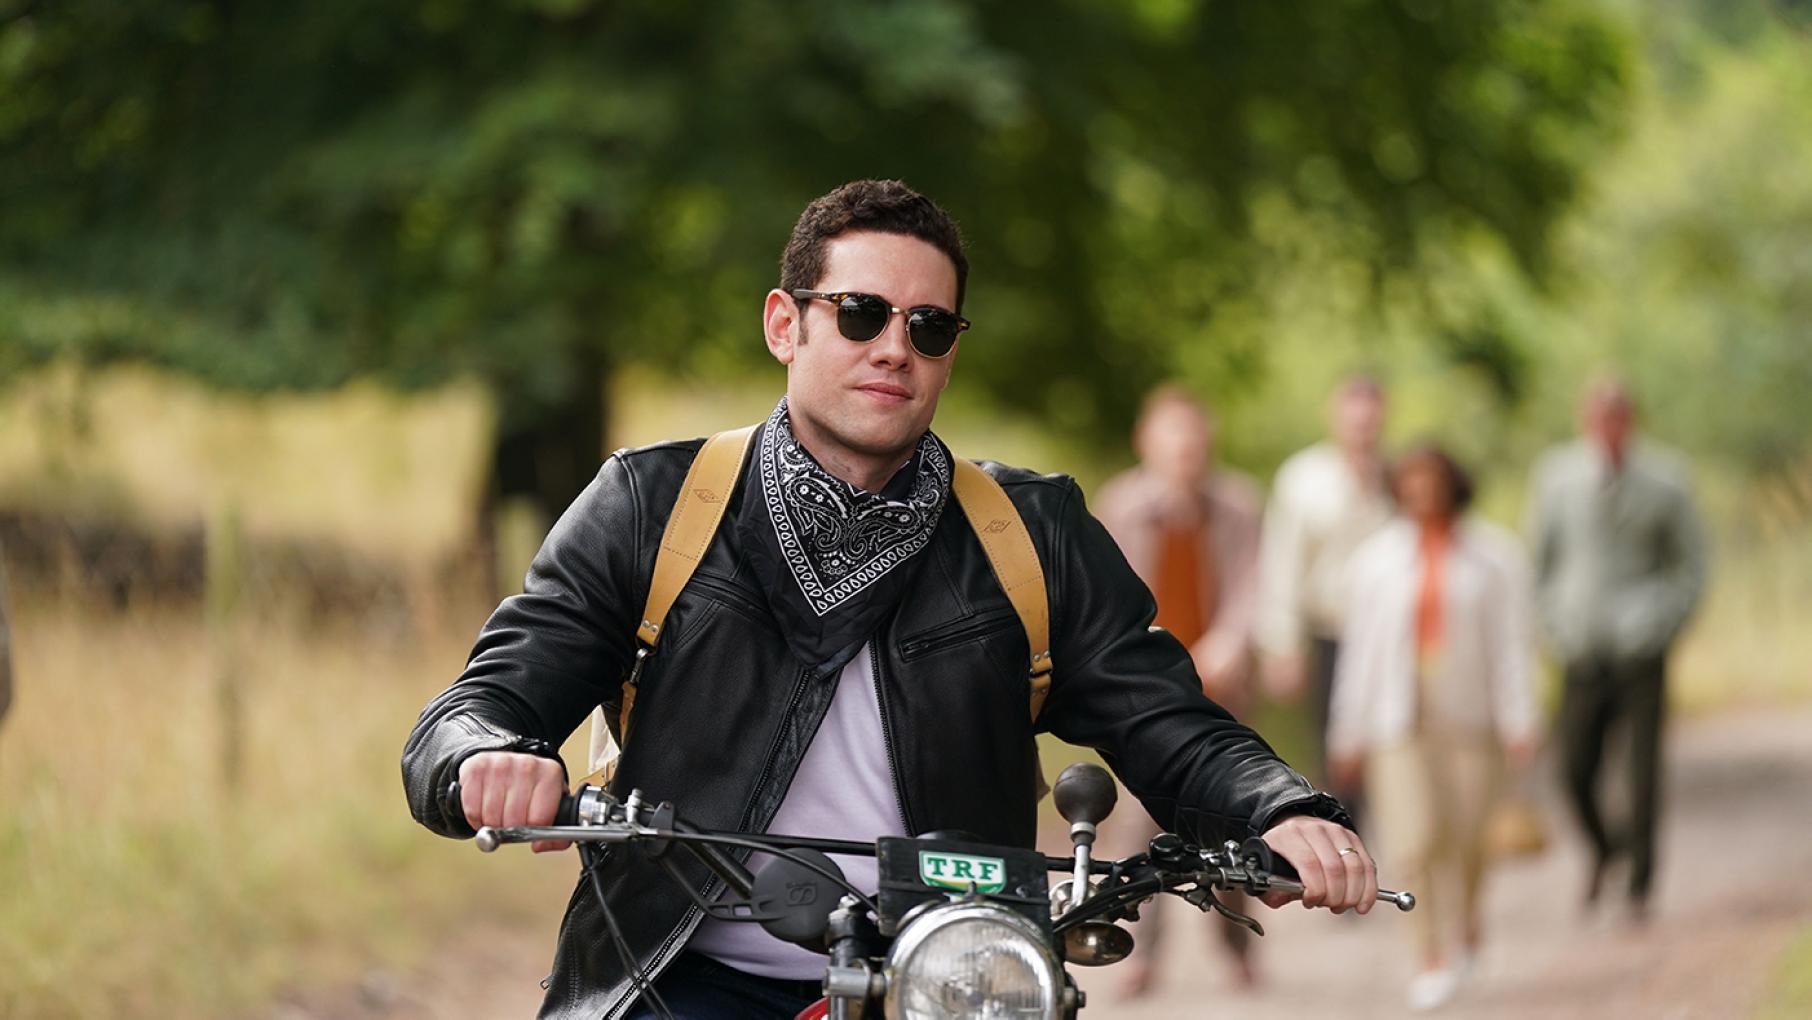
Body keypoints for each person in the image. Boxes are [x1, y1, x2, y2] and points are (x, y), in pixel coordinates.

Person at [402, 179, 1376, 1020]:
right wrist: (487, 757)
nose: (893, 347)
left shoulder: (1030, 532)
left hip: (956, 980)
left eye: (929, 325)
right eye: (860, 313)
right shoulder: (654, 505)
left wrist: (1280, 810)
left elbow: (1169, 720)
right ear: (786, 324)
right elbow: (483, 702)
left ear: (951, 348)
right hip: (684, 976)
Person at [1328, 444, 1538, 1011]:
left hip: (1472, 715)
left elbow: (1513, 645)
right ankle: (1429, 956)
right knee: (1414, 839)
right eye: (1411, 481)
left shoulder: (1495, 556)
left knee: (1468, 840)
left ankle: (1467, 926)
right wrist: (1346, 731)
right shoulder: (1375, 561)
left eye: (1432, 479)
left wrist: (1522, 718)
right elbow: (1361, 654)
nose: (1421, 491)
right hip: (1398, 718)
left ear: (1452, 484)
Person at [1092, 384, 1265, 995]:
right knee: (1140, 824)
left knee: (1223, 824)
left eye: (1194, 437)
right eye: (1173, 436)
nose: (1186, 449)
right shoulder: (1120, 504)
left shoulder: (1240, 505)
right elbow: (1109, 599)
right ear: (1149, 442)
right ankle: (1138, 954)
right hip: (1146, 689)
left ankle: (1237, 940)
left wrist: (1227, 641)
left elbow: (1250, 587)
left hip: (1220, 688)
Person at [1527, 376, 1706, 923]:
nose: (1609, 427)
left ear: (1630, 420)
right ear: (1585, 420)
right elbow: (1539, 563)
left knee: (1642, 770)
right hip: (1581, 650)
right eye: (1599, 416)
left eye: (1618, 416)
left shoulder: (1667, 481)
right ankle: (1606, 849)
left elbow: (1691, 567)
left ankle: (1640, 884)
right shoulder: (1556, 478)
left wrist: (1661, 621)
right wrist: (1552, 626)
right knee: (1574, 768)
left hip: (1642, 650)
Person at [1256, 375, 1392, 798]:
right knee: (1329, 750)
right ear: (1334, 416)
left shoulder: (1395, 478)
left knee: (1379, 748)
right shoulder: (1303, 478)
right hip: (1326, 633)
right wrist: (1282, 644)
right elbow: (1283, 563)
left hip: (1384, 637)